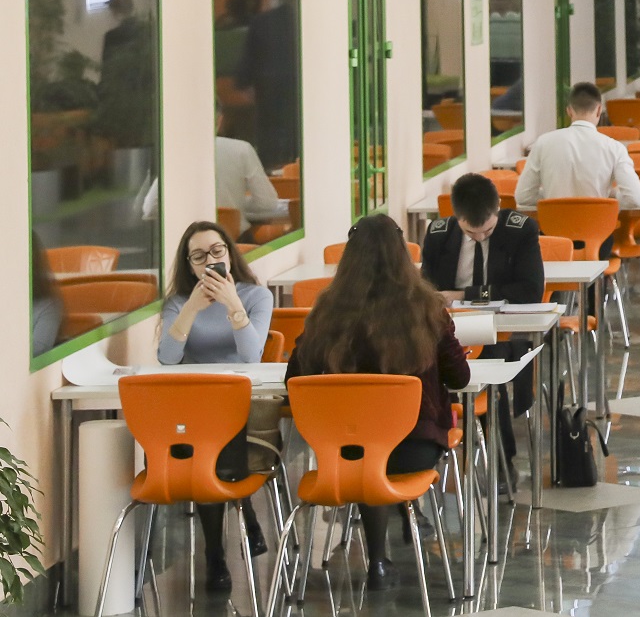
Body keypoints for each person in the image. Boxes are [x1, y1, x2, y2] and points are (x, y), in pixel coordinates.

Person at [287, 215, 469, 592]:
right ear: (403, 255)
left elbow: (294, 380)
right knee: (381, 454)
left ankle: (378, 561)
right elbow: (460, 378)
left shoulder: (327, 311)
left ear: (348, 259)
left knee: (368, 453)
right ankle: (384, 556)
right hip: (413, 450)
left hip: (342, 453)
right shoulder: (427, 308)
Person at [158, 222, 274, 592]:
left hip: (242, 403)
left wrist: (233, 304)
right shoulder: (178, 302)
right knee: (209, 450)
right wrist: (192, 308)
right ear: (189, 265)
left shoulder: (256, 296)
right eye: (198, 256)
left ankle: (219, 548)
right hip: (196, 408)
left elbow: (252, 355)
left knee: (217, 451)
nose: (209, 261)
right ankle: (217, 550)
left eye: (216, 251)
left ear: (229, 252)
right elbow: (167, 358)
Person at [419, 173, 544, 467]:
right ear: (456, 217)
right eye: (470, 233)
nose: (480, 238)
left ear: (497, 208)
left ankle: (500, 459)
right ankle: (430, 449)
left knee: (489, 365)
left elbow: (530, 290)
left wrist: (465, 294)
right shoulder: (438, 234)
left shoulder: (521, 230)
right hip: (450, 330)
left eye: (487, 230)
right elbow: (427, 290)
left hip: (500, 330)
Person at [515, 81, 640, 219]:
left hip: (554, 228)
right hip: (598, 228)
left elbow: (523, 196)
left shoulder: (543, 143)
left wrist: (550, 198)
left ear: (569, 111)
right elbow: (635, 199)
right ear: (599, 110)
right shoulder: (615, 148)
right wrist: (611, 197)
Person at [235, 0, 300, 169]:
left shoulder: (261, 22)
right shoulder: (302, 20)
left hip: (267, 85)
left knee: (269, 130)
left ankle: (270, 169)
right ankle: (293, 167)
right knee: (294, 127)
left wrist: (244, 83)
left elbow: (250, 56)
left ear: (273, 1)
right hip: (296, 84)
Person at [214, 106, 286, 237]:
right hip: (235, 239)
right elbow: (267, 203)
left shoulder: (177, 154)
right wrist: (238, 203)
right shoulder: (241, 149)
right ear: (219, 120)